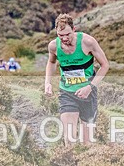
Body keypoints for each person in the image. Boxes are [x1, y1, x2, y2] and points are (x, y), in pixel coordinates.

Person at [45, 13, 109, 145]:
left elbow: (105, 65)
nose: (64, 38)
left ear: (74, 30)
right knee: (69, 138)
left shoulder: (88, 42)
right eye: (60, 35)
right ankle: (70, 164)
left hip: (88, 94)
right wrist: (48, 83)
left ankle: (85, 163)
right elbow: (51, 63)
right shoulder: (53, 46)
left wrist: (90, 87)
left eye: (67, 34)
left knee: (87, 142)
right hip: (67, 92)